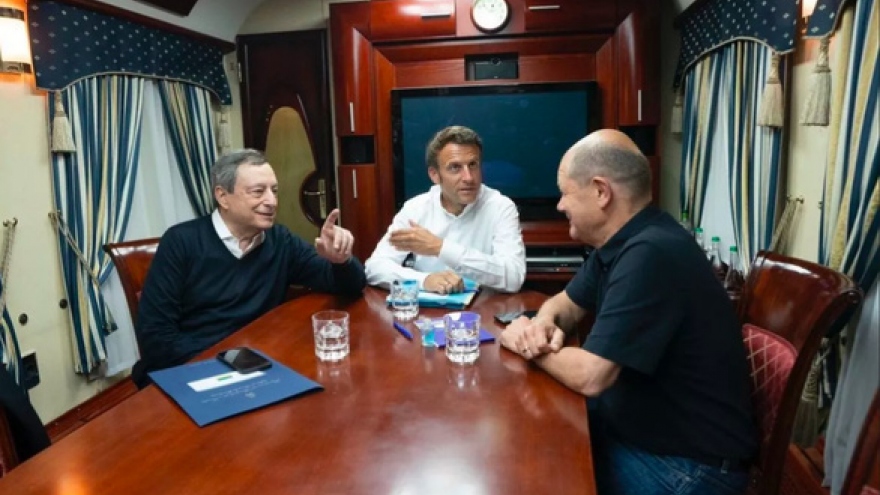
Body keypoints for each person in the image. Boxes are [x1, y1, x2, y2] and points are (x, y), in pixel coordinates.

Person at [500, 130, 757, 495]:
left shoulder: (651, 253)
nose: (559, 205)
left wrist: (525, 344)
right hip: (643, 434)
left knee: (536, 472)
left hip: (689, 469)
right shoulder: (624, 241)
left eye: (565, 192)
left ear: (601, 192)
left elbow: (591, 376)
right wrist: (540, 324)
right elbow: (565, 304)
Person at [133, 149, 366, 388]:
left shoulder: (280, 240)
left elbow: (351, 286)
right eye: (258, 192)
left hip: (259, 367)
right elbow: (156, 337)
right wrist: (232, 359)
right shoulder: (181, 242)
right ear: (223, 196)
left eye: (274, 190)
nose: (271, 201)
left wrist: (341, 260)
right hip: (194, 369)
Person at [365, 125, 526, 294]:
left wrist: (441, 248)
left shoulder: (500, 207)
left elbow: (513, 277)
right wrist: (424, 280)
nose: (468, 177)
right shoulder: (416, 209)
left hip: (485, 306)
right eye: (455, 167)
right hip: (428, 309)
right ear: (434, 175)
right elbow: (375, 267)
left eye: (473, 165)